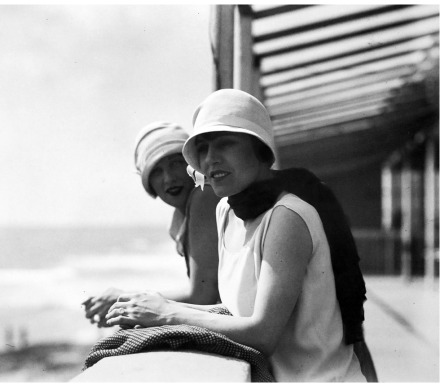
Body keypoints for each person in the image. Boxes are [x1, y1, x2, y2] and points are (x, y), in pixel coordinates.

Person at [105, 89, 368, 382]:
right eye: (202, 149)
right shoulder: (225, 212)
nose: (210, 159)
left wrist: (167, 313)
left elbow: (263, 333)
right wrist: (145, 307)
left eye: (225, 143)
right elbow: (232, 312)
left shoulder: (287, 216)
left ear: (260, 150)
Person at [83, 122, 220, 327]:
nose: (169, 178)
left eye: (175, 163)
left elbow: (202, 297)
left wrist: (125, 300)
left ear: (193, 165)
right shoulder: (185, 213)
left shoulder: (204, 197)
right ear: (148, 182)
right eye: (156, 171)